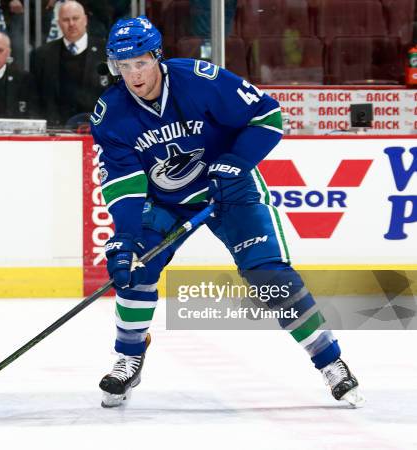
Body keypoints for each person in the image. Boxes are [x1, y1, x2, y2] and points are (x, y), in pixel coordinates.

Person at [91, 16, 365, 408]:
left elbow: (268, 116)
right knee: (135, 267)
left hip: (230, 189)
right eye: (124, 65)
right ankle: (129, 355)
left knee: (268, 274)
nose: (133, 74)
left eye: (141, 62)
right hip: (165, 201)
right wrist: (125, 236)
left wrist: (236, 161)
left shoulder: (199, 80)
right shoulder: (110, 112)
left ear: (157, 56)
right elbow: (123, 182)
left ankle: (330, 361)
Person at [31, 0, 110, 128]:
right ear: (58, 24)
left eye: (75, 18)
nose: (71, 24)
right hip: (56, 133)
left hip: (98, 131)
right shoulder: (41, 55)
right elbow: (36, 99)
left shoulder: (107, 52)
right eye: (66, 20)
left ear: (85, 20)